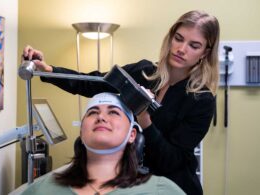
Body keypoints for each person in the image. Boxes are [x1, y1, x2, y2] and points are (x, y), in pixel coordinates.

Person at [22, 10, 220, 195]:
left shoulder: (201, 100)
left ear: (205, 52)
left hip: (174, 184)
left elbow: (172, 160)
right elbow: (93, 83)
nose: (181, 49)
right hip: (129, 180)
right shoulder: (144, 72)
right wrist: (49, 71)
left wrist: (145, 120)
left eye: (194, 45)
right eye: (178, 39)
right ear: (170, 37)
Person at [21, 93, 185, 195]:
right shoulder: (42, 189)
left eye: (113, 112)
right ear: (81, 132)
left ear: (132, 134)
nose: (101, 117)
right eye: (93, 112)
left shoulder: (160, 190)